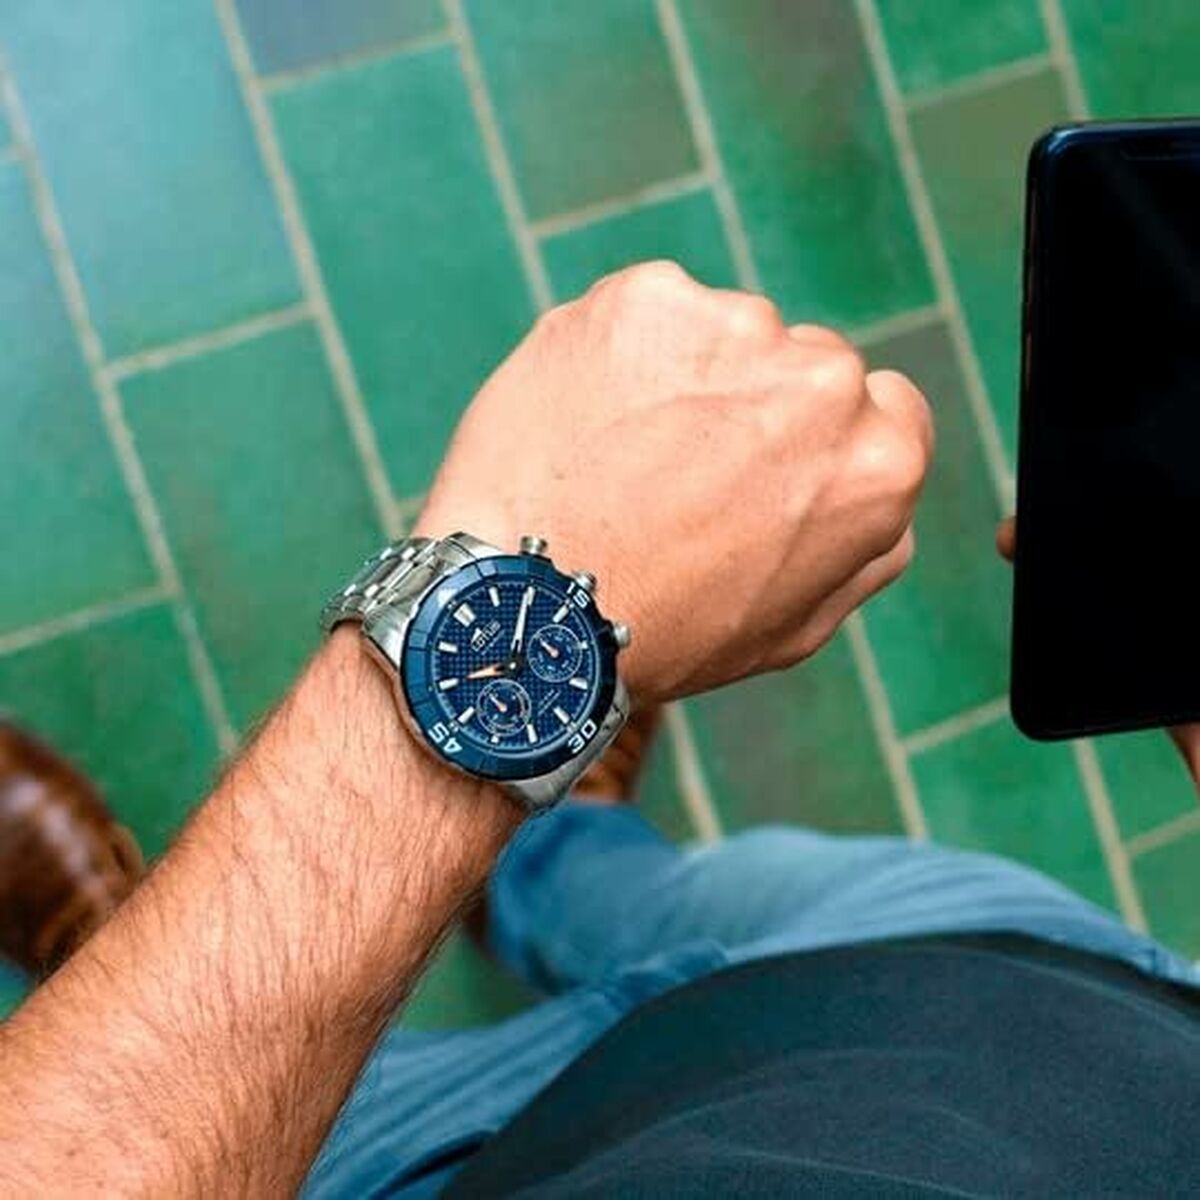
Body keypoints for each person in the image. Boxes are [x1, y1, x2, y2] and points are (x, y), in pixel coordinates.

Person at [0, 262, 1196, 1197]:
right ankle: (561, 844)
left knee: (208, 1108)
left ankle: (114, 963)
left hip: (474, 1168)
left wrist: (524, 598)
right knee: (625, 888)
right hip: (1033, 989)